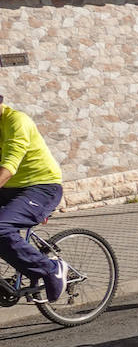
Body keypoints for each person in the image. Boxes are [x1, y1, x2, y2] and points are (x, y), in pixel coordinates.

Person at [0, 95, 67, 301]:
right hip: (10, 189)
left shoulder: (17, 121)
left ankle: (50, 269)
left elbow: (10, 164)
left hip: (42, 186)